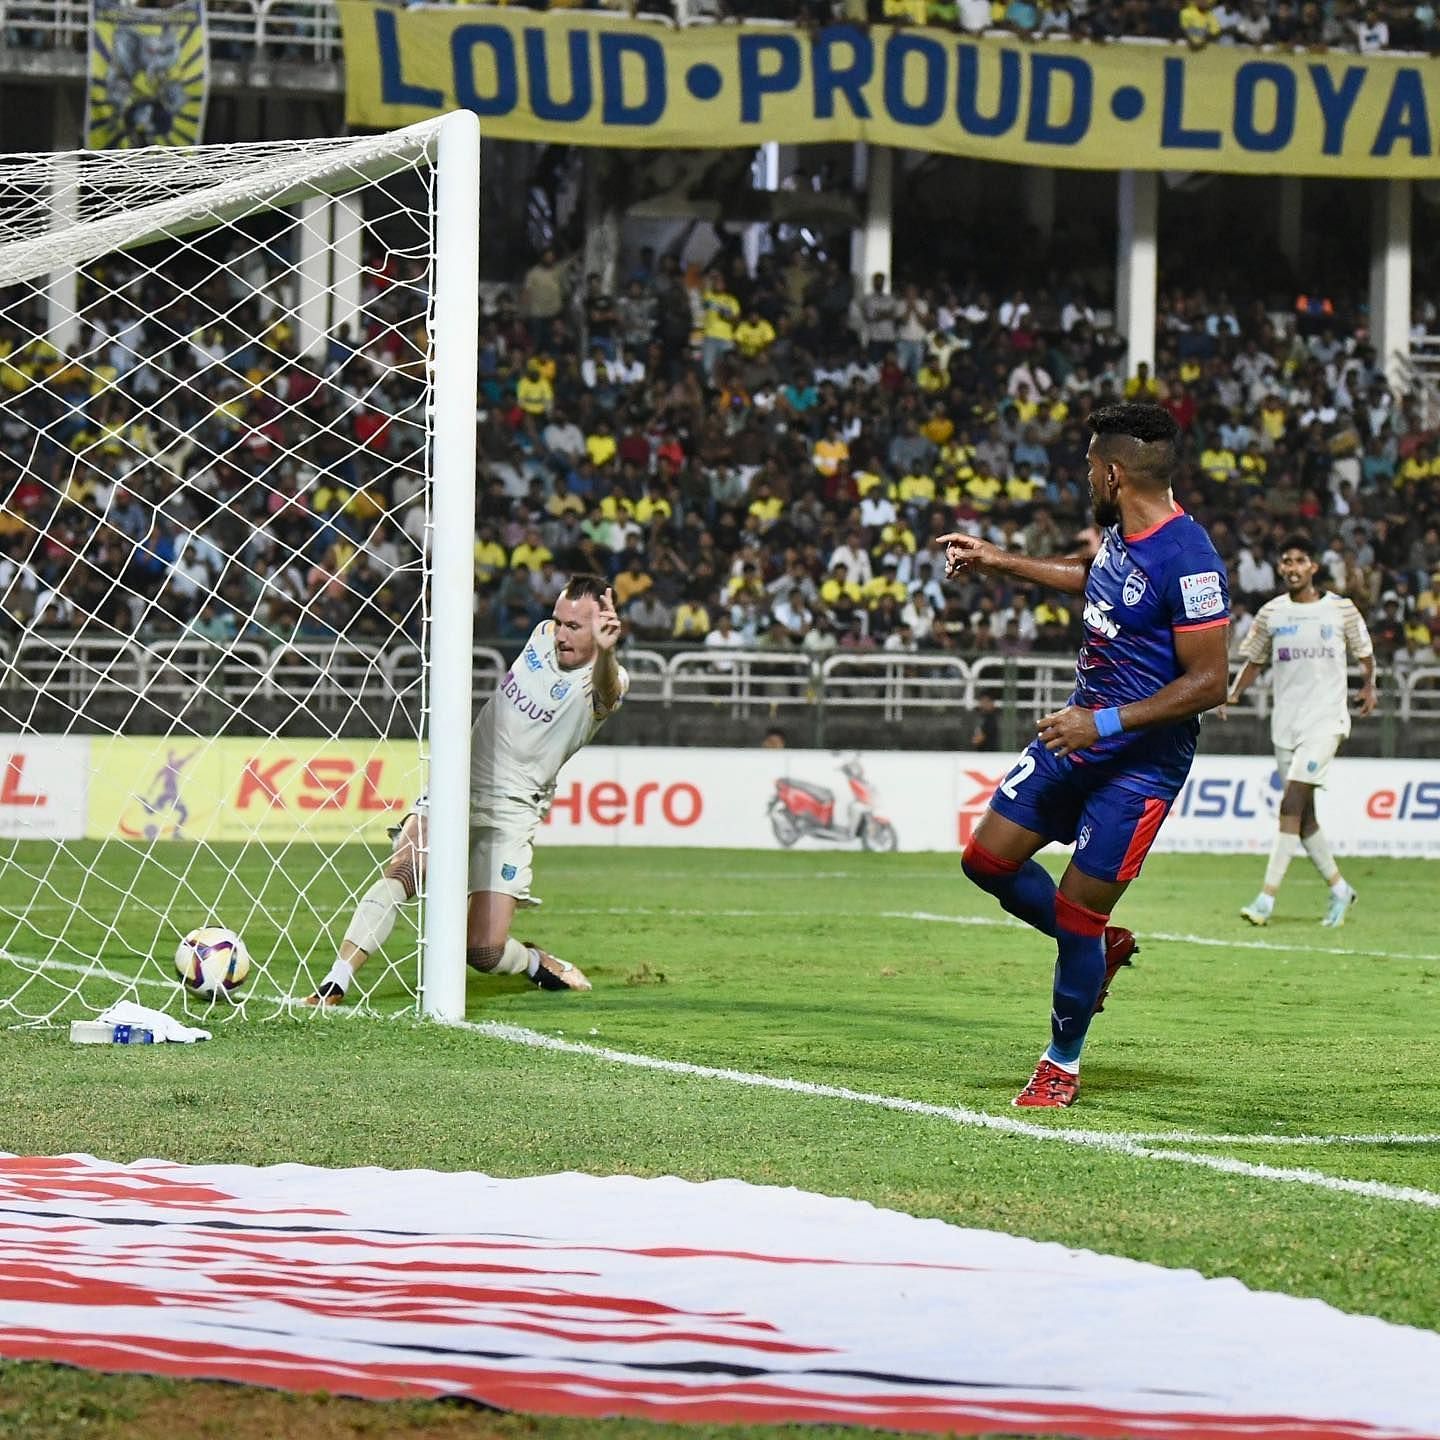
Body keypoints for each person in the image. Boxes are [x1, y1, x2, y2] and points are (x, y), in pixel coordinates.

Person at [938, 404, 1230, 1109]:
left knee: (1075, 913)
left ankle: (1059, 1064)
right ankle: (1100, 948)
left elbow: (1210, 681)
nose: (1085, 477)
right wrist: (999, 559)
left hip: (1137, 762)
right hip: (1078, 738)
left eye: (1089, 467)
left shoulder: (1190, 558)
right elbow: (1093, 576)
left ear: (1112, 471)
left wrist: (1103, 723)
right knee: (987, 861)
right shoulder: (1121, 535)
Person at [309, 575, 627, 1006]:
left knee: (483, 951)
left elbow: (606, 695)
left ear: (601, 630)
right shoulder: (541, 636)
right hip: (459, 783)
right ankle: (336, 981)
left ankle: (534, 962)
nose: (561, 634)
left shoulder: (605, 679)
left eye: (575, 627)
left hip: (514, 809)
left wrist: (606, 654)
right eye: (559, 621)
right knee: (405, 869)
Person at [1226, 534, 1376, 928]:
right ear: (1281, 568)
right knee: (1305, 818)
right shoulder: (1271, 613)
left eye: (1300, 561)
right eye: (1286, 561)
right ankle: (1341, 889)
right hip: (1285, 724)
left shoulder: (1340, 610)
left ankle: (1265, 899)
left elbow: (1365, 651)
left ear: (1313, 567)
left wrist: (1369, 685)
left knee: (1290, 805)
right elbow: (1254, 661)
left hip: (1325, 722)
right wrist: (1234, 694)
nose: (1292, 568)